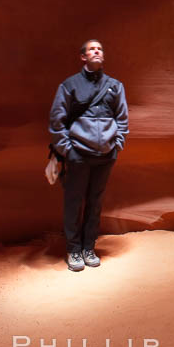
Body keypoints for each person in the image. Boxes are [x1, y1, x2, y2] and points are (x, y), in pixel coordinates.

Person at [49, 40, 129, 272]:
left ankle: (88, 247)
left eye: (100, 49)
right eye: (92, 49)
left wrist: (117, 145)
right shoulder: (70, 85)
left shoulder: (115, 86)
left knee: (95, 203)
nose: (97, 51)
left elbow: (122, 119)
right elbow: (57, 120)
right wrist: (67, 149)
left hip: (105, 155)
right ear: (83, 57)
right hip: (78, 155)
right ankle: (74, 249)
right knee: (74, 203)